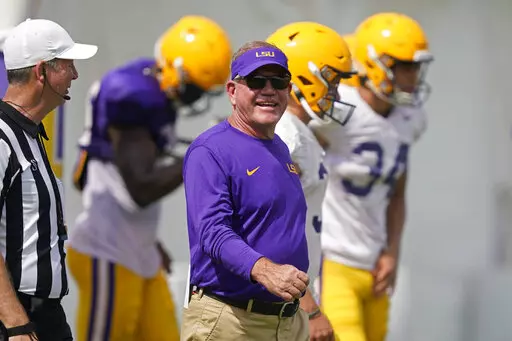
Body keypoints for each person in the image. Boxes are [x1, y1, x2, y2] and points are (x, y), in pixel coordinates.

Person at [66, 15, 231, 341]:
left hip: (138, 250)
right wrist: (202, 153)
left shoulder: (155, 89)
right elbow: (140, 186)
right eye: (193, 89)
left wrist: (148, 240)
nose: (195, 100)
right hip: (108, 251)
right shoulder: (132, 94)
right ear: (175, 70)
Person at [310, 12, 433, 341]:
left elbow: (397, 193)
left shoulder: (411, 117)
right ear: (375, 64)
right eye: (404, 66)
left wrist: (393, 251)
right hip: (333, 260)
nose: (413, 76)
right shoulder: (339, 110)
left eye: (416, 66)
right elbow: (295, 152)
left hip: (375, 263)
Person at [181, 40, 310, 341]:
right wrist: (265, 270)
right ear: (232, 91)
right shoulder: (209, 149)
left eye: (278, 81)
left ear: (289, 91)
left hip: (286, 321)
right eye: (256, 80)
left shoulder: (279, 146)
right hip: (231, 321)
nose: (268, 89)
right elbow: (213, 232)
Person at [0, 18, 97, 340]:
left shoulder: (29, 135)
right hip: (15, 317)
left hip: (44, 314)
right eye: (67, 65)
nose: (75, 75)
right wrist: (15, 323)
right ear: (41, 72)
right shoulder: (2, 138)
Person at [267, 22, 356, 341]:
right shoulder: (286, 134)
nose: (336, 92)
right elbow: (265, 227)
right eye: (332, 79)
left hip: (283, 299)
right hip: (275, 302)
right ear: (304, 75)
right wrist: (309, 306)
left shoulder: (295, 131)